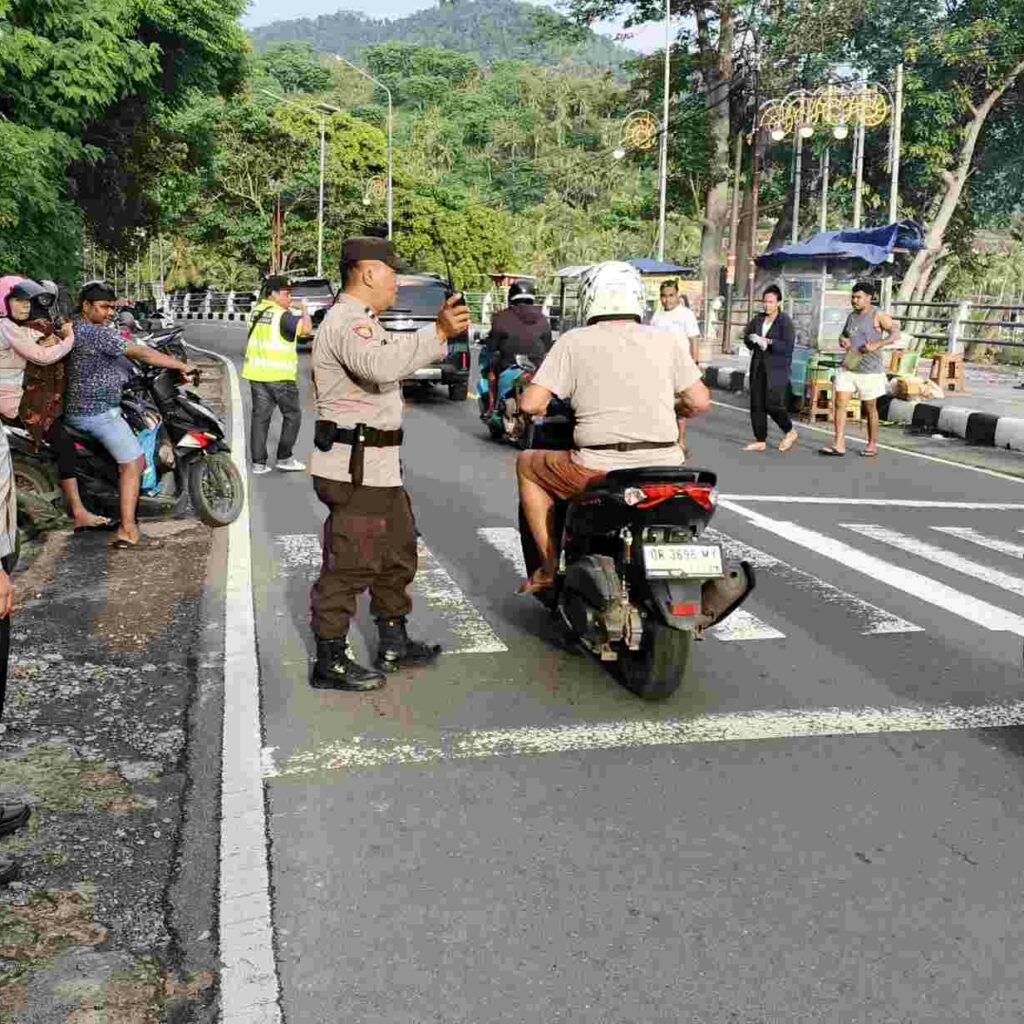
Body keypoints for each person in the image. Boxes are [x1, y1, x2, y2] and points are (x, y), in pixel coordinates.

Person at [308, 237, 471, 690]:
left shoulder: (365, 320)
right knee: (350, 562)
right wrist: (437, 332)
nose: (398, 281)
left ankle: (393, 640)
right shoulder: (346, 321)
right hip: (355, 468)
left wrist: (435, 337)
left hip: (378, 466)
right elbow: (381, 367)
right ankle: (330, 659)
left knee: (397, 551)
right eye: (393, 272)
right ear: (368, 273)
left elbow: (389, 362)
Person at [515, 261, 711, 594]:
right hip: (664, 465)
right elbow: (700, 401)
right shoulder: (665, 340)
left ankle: (548, 568)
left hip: (599, 468)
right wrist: (674, 407)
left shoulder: (574, 341)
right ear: (638, 298)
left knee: (526, 465)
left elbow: (530, 404)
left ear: (591, 298)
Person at [66, 281, 189, 549]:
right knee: (135, 462)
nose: (110, 312)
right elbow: (141, 352)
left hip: (85, 409)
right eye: (104, 307)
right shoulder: (94, 333)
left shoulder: (76, 326)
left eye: (112, 307)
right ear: (86, 306)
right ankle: (128, 531)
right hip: (96, 412)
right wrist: (180, 364)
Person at [0, 278, 110, 531]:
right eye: (18, 300)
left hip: (18, 396)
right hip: (13, 403)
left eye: (29, 301)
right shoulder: (6, 327)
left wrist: (54, 336)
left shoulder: (15, 326)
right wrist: (68, 338)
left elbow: (39, 336)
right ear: (4, 302)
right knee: (64, 444)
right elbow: (43, 356)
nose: (26, 306)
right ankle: (79, 511)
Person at [819, 280, 900, 458]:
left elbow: (896, 334)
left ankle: (872, 443)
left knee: (870, 407)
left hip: (870, 369)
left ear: (869, 298)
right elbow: (845, 334)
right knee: (840, 403)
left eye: (858, 297)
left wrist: (877, 344)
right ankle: (839, 443)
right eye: (853, 297)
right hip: (849, 365)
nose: (854, 301)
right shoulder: (852, 316)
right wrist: (843, 340)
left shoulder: (878, 315)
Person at [242, 276, 312, 475]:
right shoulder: (282, 315)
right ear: (272, 293)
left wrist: (290, 308)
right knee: (292, 415)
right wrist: (305, 309)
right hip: (280, 376)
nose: (290, 297)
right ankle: (285, 458)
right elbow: (306, 330)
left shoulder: (256, 311)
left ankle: (258, 464)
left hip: (256, 374)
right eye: (286, 293)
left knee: (260, 418)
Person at [741, 284, 798, 453]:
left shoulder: (784, 321)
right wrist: (752, 339)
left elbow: (788, 346)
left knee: (772, 403)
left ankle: (789, 430)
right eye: (765, 301)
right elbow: (747, 337)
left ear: (779, 302)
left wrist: (769, 342)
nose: (767, 305)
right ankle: (760, 439)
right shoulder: (758, 319)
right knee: (757, 403)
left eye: (771, 302)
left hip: (777, 369)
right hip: (758, 365)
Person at [651, 280, 704, 459]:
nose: (667, 300)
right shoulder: (657, 317)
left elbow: (694, 339)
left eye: (671, 295)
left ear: (677, 295)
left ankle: (681, 442)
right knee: (664, 404)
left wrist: (694, 364)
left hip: (681, 367)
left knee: (681, 406)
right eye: (664, 296)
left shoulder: (685, 314)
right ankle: (665, 442)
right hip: (660, 368)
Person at [484, 280, 552, 412]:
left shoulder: (501, 317)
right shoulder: (543, 319)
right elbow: (547, 345)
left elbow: (493, 344)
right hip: (536, 366)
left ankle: (492, 407)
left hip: (509, 363)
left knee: (492, 368)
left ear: (511, 296)